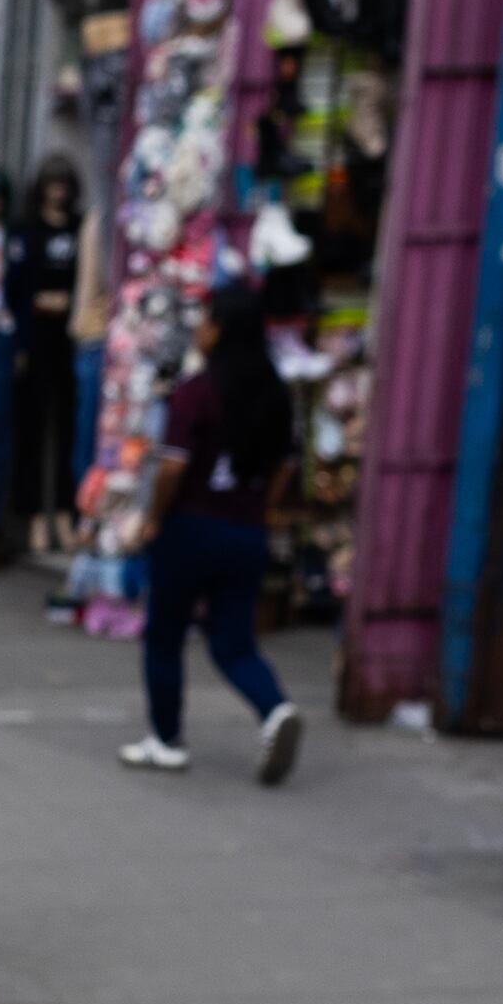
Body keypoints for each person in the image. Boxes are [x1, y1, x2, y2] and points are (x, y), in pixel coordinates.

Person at [120, 282, 302, 784]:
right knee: (234, 642)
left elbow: (174, 467)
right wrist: (261, 507)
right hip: (246, 533)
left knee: (165, 635)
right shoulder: (274, 393)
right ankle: (275, 709)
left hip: (191, 528)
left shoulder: (196, 393)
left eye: (204, 320)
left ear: (220, 330)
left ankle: (166, 739)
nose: (199, 329)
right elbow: (287, 465)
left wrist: (154, 517)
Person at [2, 162, 87, 554]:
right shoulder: (25, 231)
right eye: (51, 185)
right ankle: (35, 517)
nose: (58, 193)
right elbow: (13, 286)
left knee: (72, 430)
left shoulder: (80, 228)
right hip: (34, 339)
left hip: (71, 339)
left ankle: (68, 513)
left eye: (63, 185)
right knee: (32, 432)